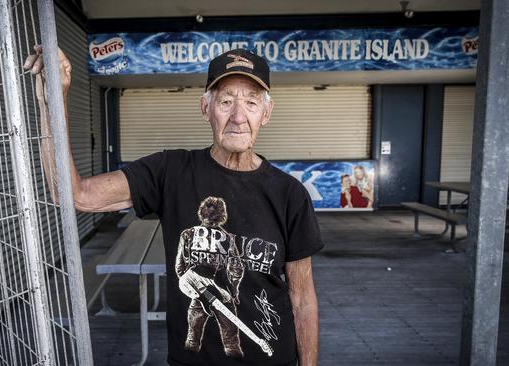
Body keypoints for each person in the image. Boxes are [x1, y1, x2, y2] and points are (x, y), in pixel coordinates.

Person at [24, 46, 323, 366]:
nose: (238, 116)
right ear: (205, 107)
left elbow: (303, 299)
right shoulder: (171, 172)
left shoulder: (289, 194)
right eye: (225, 101)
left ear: (266, 113)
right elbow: (72, 194)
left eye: (251, 102)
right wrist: (52, 101)